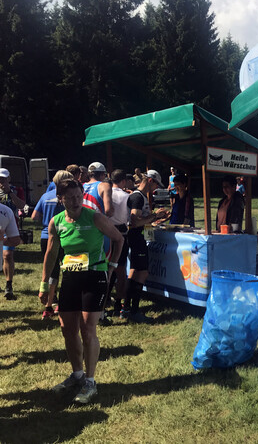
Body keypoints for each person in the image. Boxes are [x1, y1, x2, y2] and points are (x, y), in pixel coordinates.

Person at [40, 179, 123, 404]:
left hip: (94, 276)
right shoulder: (56, 222)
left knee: (87, 330)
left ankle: (90, 380)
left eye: (79, 196)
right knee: (67, 329)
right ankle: (76, 374)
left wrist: (112, 266)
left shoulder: (94, 216)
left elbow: (118, 238)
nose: (76, 201)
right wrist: (44, 284)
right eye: (70, 198)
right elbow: (51, 253)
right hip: (70, 278)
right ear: (61, 199)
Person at [121, 170, 169, 323]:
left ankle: (126, 308)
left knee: (135, 272)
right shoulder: (137, 197)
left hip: (137, 237)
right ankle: (133, 310)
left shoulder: (138, 196)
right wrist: (155, 216)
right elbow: (135, 221)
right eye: (155, 184)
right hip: (137, 237)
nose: (155, 188)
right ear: (149, 181)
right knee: (142, 273)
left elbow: (140, 219)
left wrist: (154, 218)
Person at [32, 170, 74, 317]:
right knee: (68, 268)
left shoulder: (45, 196)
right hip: (65, 235)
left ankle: (49, 304)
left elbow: (34, 216)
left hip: (45, 236)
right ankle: (62, 302)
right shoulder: (68, 198)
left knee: (51, 269)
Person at [107, 169, 131, 317]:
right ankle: (118, 303)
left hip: (105, 232)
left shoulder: (105, 194)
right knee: (120, 270)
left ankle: (104, 302)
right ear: (123, 181)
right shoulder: (126, 196)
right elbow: (129, 216)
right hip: (120, 233)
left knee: (107, 268)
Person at [0, 168, 26, 300]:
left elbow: (21, 205)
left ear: (9, 179)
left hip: (10, 228)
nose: (1, 181)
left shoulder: (17, 190)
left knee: (7, 255)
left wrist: (10, 193)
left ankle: (8, 284)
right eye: (0, 179)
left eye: (4, 178)